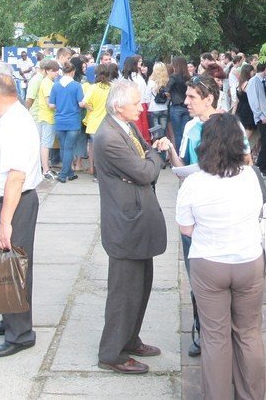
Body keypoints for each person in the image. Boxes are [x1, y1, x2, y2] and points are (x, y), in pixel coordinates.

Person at [175, 114, 266, 399]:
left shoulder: (193, 183)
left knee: (215, 338)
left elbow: (186, 228)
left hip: (209, 262)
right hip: (248, 261)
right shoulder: (251, 177)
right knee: (248, 333)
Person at [94, 79, 168, 374]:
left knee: (141, 286)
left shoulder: (127, 127)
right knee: (124, 293)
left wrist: (149, 157)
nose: (141, 107)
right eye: (136, 103)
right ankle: (111, 353)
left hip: (138, 222)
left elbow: (145, 159)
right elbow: (144, 170)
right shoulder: (109, 137)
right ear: (118, 106)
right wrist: (153, 157)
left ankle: (130, 339)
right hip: (126, 225)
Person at [0, 73, 42, 357]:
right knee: (3, 265)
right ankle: (8, 319)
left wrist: (5, 222)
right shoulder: (5, 119)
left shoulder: (16, 124)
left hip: (12, 204)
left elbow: (16, 176)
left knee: (15, 268)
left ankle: (20, 334)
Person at [49, 59, 85, 183]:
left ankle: (70, 172)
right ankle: (64, 174)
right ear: (73, 72)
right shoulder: (76, 85)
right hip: (73, 120)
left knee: (63, 148)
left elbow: (51, 105)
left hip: (59, 120)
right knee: (69, 148)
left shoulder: (56, 85)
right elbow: (81, 103)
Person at [246, 62, 266, 174]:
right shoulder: (253, 81)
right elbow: (254, 101)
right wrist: (260, 116)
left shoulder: (263, 81)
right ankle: (261, 165)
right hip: (262, 117)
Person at [167, 56, 191, 149]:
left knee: (177, 134)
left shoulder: (173, 76)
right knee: (185, 132)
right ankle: (186, 153)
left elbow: (167, 89)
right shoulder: (189, 77)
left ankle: (179, 155)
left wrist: (169, 95)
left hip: (176, 106)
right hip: (186, 106)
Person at [147, 61, 170, 135]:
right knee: (163, 134)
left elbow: (146, 96)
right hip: (164, 108)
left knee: (155, 133)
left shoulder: (151, 82)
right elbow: (169, 97)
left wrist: (149, 106)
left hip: (153, 109)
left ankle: (156, 146)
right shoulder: (167, 82)